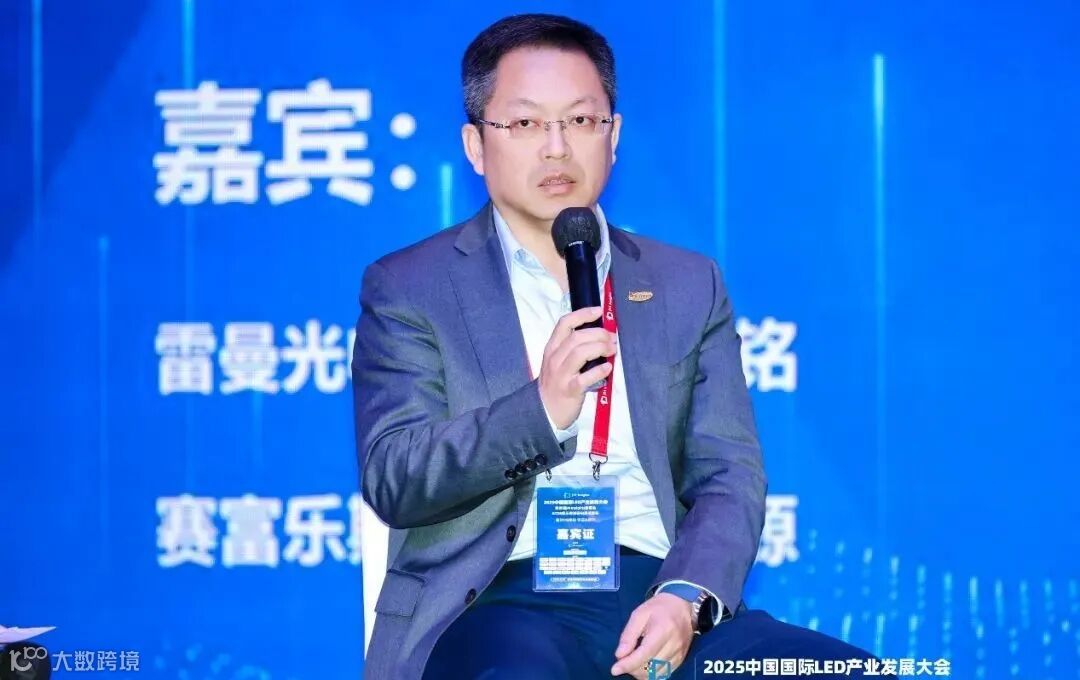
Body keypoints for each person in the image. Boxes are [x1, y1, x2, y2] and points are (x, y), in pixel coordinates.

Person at [352, 13, 874, 680]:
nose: (557, 148)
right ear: (476, 146)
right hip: (498, 602)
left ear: (614, 135)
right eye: (526, 123)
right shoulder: (411, 286)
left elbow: (729, 475)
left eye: (580, 120)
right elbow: (395, 476)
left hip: (663, 597)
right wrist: (541, 410)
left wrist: (685, 599)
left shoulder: (686, 283)